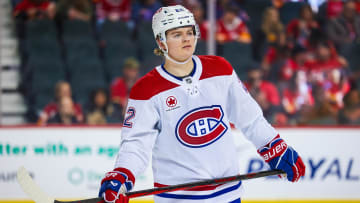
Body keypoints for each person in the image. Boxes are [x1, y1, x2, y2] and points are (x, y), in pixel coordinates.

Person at [98, 5, 305, 203]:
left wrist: (275, 146)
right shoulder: (146, 89)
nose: (186, 39)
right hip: (179, 200)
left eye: (189, 32)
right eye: (176, 34)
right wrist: (122, 174)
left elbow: (250, 118)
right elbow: (136, 144)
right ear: (161, 42)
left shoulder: (220, 70)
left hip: (228, 195)